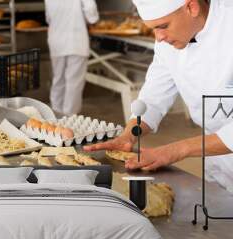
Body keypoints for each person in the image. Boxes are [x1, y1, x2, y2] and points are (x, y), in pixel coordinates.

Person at [84, 0, 233, 192]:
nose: (159, 37)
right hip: (216, 157)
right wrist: (129, 135)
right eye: (154, 29)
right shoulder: (166, 41)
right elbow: (154, 95)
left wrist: (176, 150)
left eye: (163, 26)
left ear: (191, 7)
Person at [45, 0, 99, 116]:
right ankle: (70, 117)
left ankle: (55, 115)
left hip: (56, 40)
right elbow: (91, 9)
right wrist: (92, 20)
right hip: (76, 40)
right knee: (74, 81)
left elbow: (48, 18)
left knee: (58, 79)